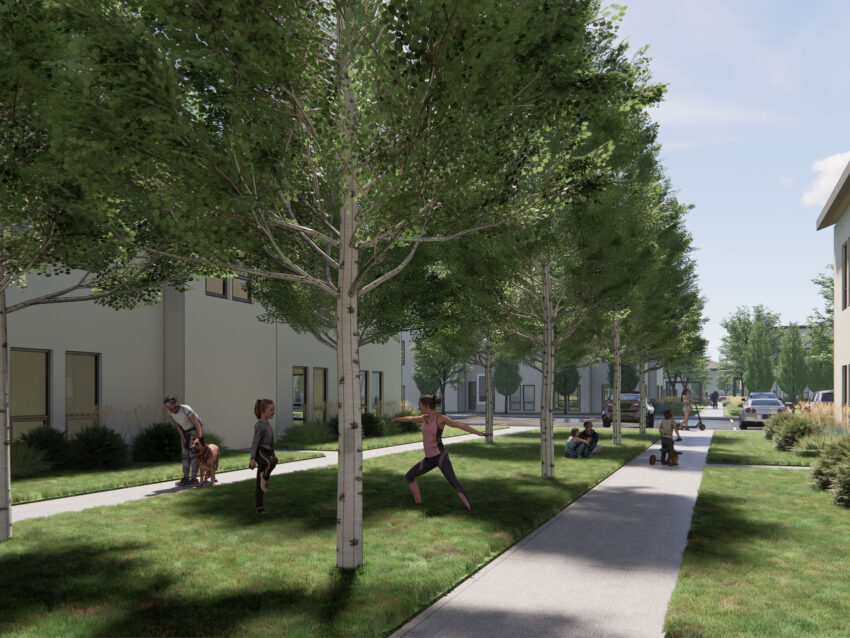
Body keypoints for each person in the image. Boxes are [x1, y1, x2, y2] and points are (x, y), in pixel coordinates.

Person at [391, 395, 484, 510]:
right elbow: (410, 418)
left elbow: (461, 425)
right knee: (409, 476)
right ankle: (418, 503)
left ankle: (471, 508)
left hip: (440, 457)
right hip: (429, 459)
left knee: (454, 482)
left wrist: (479, 433)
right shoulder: (424, 418)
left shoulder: (440, 419)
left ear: (426, 406)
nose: (419, 408)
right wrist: (396, 419)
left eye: (420, 405)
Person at [164, 395, 204, 486]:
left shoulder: (186, 409)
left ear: (176, 404)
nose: (173, 410)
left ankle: (194, 478)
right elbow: (178, 427)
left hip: (195, 429)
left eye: (174, 408)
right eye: (171, 409)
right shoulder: (171, 414)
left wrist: (200, 437)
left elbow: (196, 423)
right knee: (185, 454)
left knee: (193, 454)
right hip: (185, 431)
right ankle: (186, 478)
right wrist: (184, 439)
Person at [249, 399, 278, 515]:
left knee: (274, 462)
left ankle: (260, 507)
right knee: (269, 464)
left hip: (268, 452)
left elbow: (271, 442)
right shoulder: (259, 425)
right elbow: (255, 442)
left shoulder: (268, 424)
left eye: (273, 410)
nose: (273, 412)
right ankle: (265, 477)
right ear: (263, 411)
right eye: (271, 410)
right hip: (260, 452)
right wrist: (252, 458)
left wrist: (273, 454)